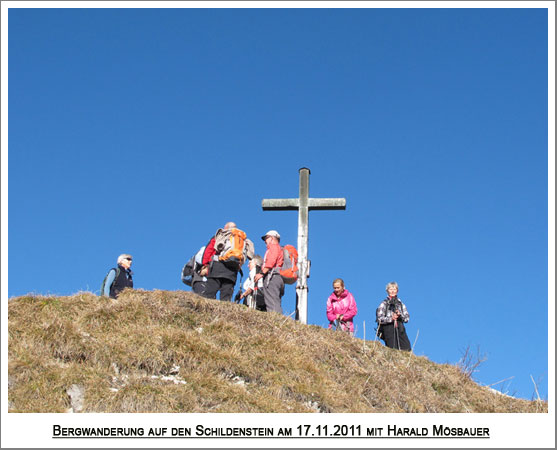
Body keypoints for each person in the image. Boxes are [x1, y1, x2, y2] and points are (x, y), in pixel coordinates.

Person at [201, 222, 242, 302]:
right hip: (232, 271)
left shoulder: (220, 236)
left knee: (209, 294)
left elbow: (208, 251)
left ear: (226, 228)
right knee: (226, 297)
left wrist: (205, 264)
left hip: (217, 267)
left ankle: (206, 312)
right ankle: (225, 313)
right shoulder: (241, 239)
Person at [254, 230, 284, 314]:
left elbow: (271, 261)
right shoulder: (279, 248)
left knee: (272, 301)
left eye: (266, 238)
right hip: (278, 277)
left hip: (272, 276)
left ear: (272, 238)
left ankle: (276, 322)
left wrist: (262, 273)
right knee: (275, 300)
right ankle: (278, 320)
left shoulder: (274, 247)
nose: (265, 241)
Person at [376, 281, 411, 351]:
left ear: (397, 291)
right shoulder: (384, 304)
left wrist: (400, 315)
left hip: (400, 328)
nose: (392, 291)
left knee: (406, 348)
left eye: (394, 289)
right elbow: (379, 319)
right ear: (387, 291)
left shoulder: (401, 304)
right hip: (388, 329)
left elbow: (407, 318)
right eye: (390, 289)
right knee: (392, 349)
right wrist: (391, 318)